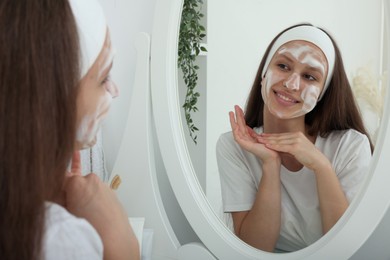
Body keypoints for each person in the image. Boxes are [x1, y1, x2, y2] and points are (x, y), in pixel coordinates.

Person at [0, 0, 139, 259]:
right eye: (103, 78)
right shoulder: (58, 239)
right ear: (49, 100)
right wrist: (121, 240)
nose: (115, 90)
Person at [216, 24, 373, 253]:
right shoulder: (235, 145)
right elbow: (254, 249)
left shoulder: (350, 146)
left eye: (309, 76)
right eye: (283, 66)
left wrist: (321, 166)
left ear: (321, 94)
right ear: (263, 75)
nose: (291, 84)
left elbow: (346, 249)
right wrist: (271, 165)